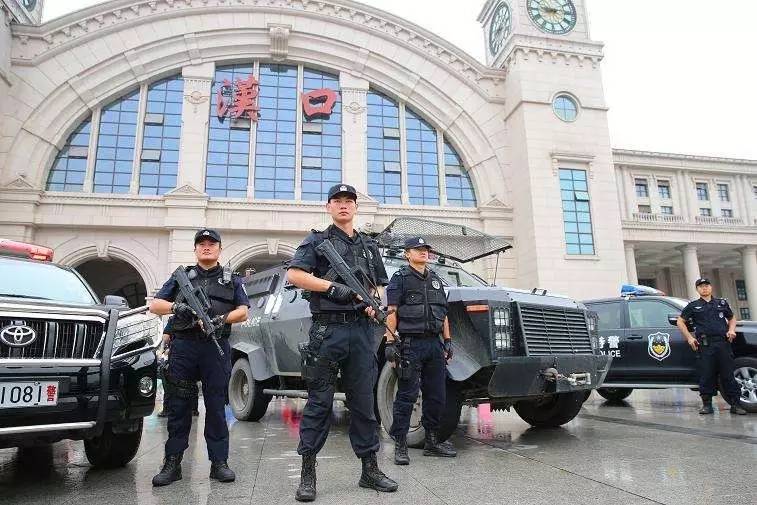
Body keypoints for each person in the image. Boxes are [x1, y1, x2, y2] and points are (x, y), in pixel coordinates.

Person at [287, 183, 397, 502]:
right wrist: (331, 288)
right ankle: (308, 472)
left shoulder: (368, 245)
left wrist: (372, 303)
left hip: (361, 332)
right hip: (327, 331)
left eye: (349, 201)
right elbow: (295, 274)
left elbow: (378, 285)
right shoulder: (316, 241)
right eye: (337, 201)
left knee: (363, 403)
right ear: (329, 207)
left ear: (356, 207)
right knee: (319, 403)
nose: (344, 205)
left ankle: (369, 469)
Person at [149, 228, 250, 486]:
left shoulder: (231, 279)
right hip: (184, 347)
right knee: (179, 407)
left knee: (216, 406)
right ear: (195, 249)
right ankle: (172, 463)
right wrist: (177, 307)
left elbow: (243, 311)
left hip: (215, 347)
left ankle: (219, 463)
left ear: (219, 249)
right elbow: (155, 305)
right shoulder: (181, 276)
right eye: (201, 243)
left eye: (212, 244)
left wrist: (221, 319)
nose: (207, 247)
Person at [384, 236, 456, 465]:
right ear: (407, 254)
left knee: (437, 396)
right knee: (406, 396)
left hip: (434, 345)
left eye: (425, 249)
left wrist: (447, 340)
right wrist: (390, 343)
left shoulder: (435, 279)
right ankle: (400, 444)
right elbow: (392, 311)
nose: (424, 252)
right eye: (418, 249)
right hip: (410, 344)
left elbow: (443, 313)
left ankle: (432, 442)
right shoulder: (400, 278)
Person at [677, 278, 747, 415]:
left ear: (711, 287)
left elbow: (732, 318)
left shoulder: (721, 303)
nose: (704, 288)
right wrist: (690, 338)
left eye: (706, 285)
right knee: (706, 374)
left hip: (723, 344)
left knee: (728, 375)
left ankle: (735, 404)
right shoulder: (693, 306)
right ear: (697, 289)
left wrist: (731, 330)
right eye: (701, 286)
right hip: (705, 345)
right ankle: (707, 405)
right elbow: (680, 321)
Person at [157, 317, 199, 418]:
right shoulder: (196, 319)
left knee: (170, 383)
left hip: (177, 353)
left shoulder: (174, 319)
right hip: (195, 353)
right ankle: (193, 409)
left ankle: (167, 409)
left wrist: (163, 350)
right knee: (192, 382)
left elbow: (166, 337)